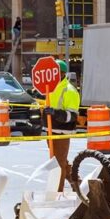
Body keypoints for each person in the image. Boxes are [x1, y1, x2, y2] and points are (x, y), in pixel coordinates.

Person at [42, 60, 81, 192]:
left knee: (58, 164)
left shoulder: (70, 91)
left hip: (62, 132)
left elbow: (72, 116)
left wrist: (55, 113)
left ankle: (57, 192)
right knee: (60, 161)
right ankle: (77, 183)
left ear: (61, 73)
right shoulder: (51, 88)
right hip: (50, 130)